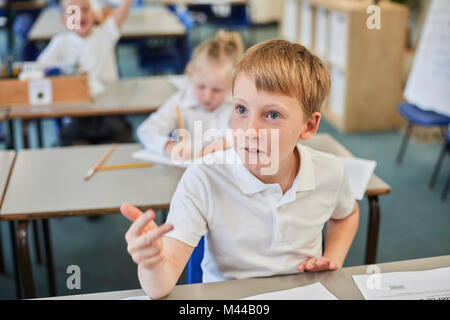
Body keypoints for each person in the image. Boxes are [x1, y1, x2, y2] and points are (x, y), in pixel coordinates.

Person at [122, 39, 360, 299]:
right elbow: (159, 288)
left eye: (272, 115)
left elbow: (346, 214)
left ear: (309, 126)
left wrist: (332, 260)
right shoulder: (204, 177)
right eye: (241, 109)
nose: (249, 131)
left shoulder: (331, 172)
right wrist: (152, 263)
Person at [38, 0, 134, 145]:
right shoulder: (61, 42)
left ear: (94, 14)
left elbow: (123, 9)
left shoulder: (105, 35)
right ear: (63, 20)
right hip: (76, 114)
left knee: (119, 138)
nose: (80, 16)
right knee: (74, 143)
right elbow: (38, 69)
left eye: (84, 10)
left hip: (107, 111)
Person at [136, 30, 243, 160]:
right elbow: (146, 130)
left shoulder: (237, 104)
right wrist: (169, 146)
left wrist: (226, 142)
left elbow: (247, 134)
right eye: (201, 87)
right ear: (190, 76)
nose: (207, 96)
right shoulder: (179, 101)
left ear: (232, 84)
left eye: (217, 90)